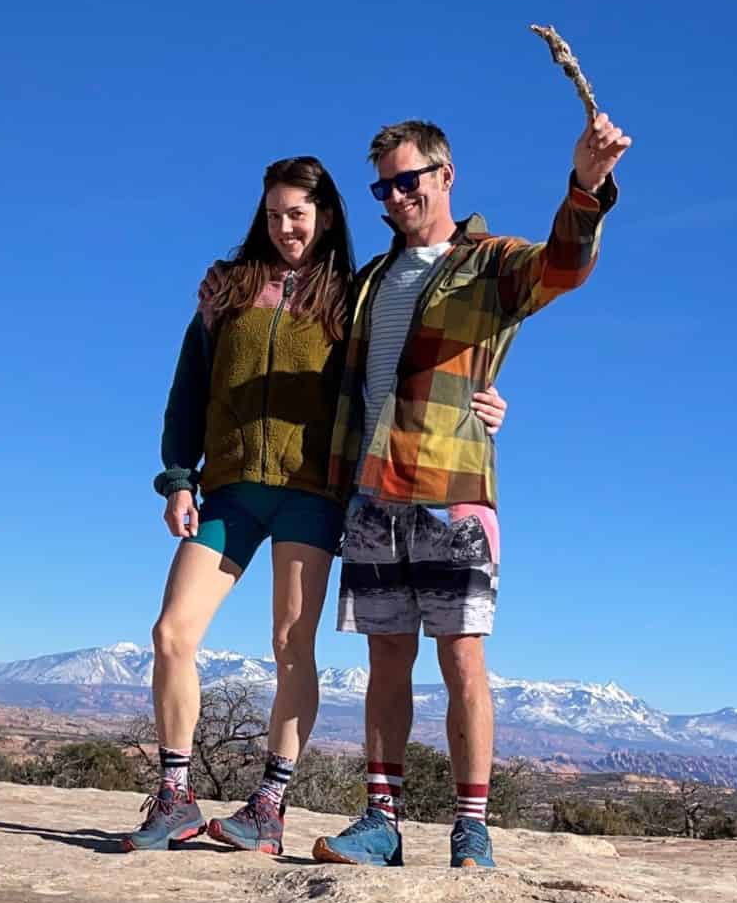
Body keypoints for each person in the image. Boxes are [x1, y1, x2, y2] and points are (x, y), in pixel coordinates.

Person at [121, 156, 509, 855]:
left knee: (290, 645)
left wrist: (480, 400)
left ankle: (268, 808)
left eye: (297, 214)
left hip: (313, 493)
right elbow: (189, 388)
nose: (285, 227)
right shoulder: (227, 290)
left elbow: (407, 366)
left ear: (325, 216)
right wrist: (178, 477)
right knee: (172, 633)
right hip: (230, 490)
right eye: (273, 215)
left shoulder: (352, 297)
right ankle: (175, 796)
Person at [310, 108, 631, 871]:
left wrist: (587, 184)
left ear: (445, 175)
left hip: (452, 490)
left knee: (462, 661)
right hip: (373, 493)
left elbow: (563, 267)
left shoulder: (489, 263)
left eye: (407, 182)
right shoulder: (371, 279)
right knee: (386, 661)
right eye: (382, 188)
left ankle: (471, 828)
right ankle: (382, 822)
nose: (395, 198)